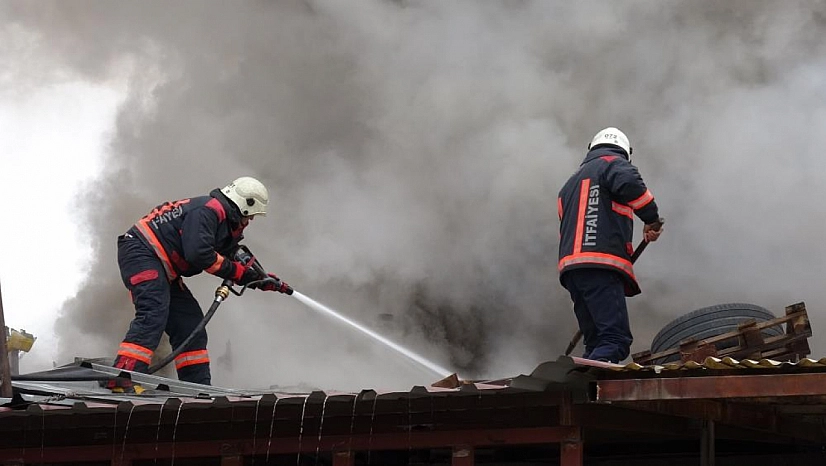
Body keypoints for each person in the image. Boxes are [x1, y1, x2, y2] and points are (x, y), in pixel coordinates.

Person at [109, 176, 291, 390]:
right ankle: (121, 378)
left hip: (163, 267)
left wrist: (258, 279)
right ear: (244, 205)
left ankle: (197, 389)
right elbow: (199, 254)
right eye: (250, 215)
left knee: (190, 324)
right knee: (153, 313)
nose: (250, 220)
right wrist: (238, 272)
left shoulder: (223, 222)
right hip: (142, 252)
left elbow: (230, 257)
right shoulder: (208, 211)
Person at [557, 128, 663, 363]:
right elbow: (630, 183)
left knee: (596, 342)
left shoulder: (569, 184)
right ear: (626, 151)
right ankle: (583, 377)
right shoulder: (612, 164)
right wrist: (651, 219)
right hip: (600, 265)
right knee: (615, 340)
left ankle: (578, 375)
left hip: (572, 272)